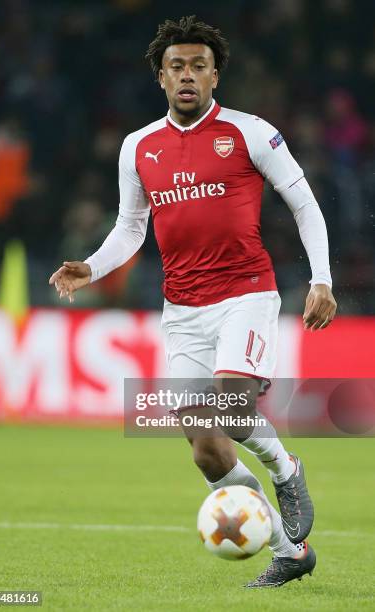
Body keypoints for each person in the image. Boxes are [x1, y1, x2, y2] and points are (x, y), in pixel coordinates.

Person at [49, 16, 337, 587]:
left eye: (198, 66)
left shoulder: (251, 132)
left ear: (214, 75)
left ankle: (287, 468)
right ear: (160, 77)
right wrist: (91, 266)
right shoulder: (139, 147)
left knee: (229, 408)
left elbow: (304, 205)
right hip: (182, 312)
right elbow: (132, 228)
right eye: (176, 66)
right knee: (206, 449)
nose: (187, 76)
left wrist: (321, 279)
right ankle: (290, 553)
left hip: (246, 295)